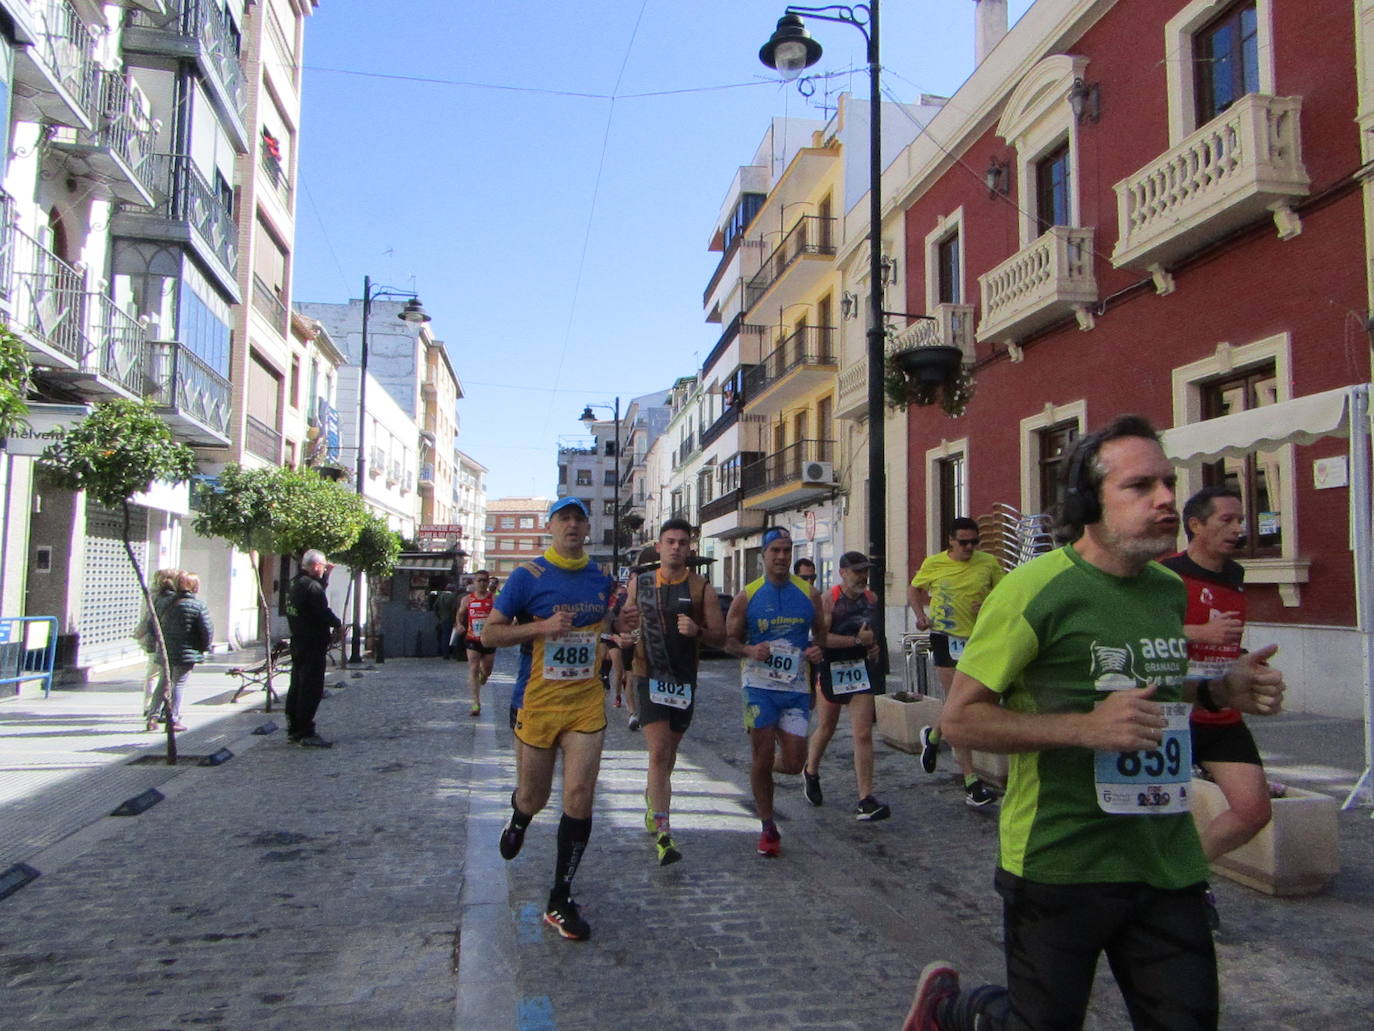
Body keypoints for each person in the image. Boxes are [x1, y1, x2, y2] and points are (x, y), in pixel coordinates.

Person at [905, 415, 1286, 1031]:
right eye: (1140, 487)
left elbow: (1156, 685)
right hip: (1062, 859)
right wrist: (1085, 729)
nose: (1165, 498)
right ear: (1088, 503)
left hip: (1165, 858)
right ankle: (959, 1012)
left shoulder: (1166, 590)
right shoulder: (1036, 590)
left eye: (1167, 482)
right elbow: (961, 721)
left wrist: (1221, 684)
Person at [483, 496, 635, 941]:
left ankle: (560, 898)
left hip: (585, 702)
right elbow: (489, 633)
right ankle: (519, 818)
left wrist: (620, 619)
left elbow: (607, 622)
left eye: (578, 519)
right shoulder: (527, 577)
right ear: (549, 528)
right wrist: (539, 628)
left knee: (580, 796)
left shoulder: (599, 578)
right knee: (535, 796)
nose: (571, 525)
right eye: (563, 518)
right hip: (537, 702)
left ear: (587, 529)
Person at [1161, 487, 1274, 864]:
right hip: (1175, 710)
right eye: (1226, 520)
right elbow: (1140, 635)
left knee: (1254, 810)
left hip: (1222, 712)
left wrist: (1247, 667)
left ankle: (1187, 873)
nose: (1237, 528)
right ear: (1195, 525)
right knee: (1159, 816)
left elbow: (1229, 642)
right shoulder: (1166, 576)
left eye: (1240, 520)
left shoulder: (1235, 574)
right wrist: (1196, 633)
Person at [627, 522, 725, 865]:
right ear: (658, 545)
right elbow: (625, 622)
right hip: (648, 674)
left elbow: (720, 636)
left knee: (668, 754)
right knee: (658, 751)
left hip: (683, 679)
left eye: (682, 543)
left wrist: (697, 630)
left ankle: (653, 799)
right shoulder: (640, 583)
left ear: (690, 549)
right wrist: (623, 633)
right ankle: (665, 833)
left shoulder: (701, 588)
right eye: (670, 542)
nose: (676, 548)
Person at [724, 527, 825, 858]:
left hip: (795, 689)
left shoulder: (809, 594)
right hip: (759, 688)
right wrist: (750, 650)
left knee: (796, 763)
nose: (781, 556)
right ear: (763, 556)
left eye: (786, 550)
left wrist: (815, 652)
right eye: (775, 551)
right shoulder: (748, 596)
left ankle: (759, 768)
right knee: (763, 755)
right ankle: (768, 826)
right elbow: (730, 641)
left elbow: (821, 638)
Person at [907, 517, 1004, 808]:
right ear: (951, 541)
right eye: (964, 543)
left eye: (975, 542)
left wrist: (987, 601)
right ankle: (971, 781)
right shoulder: (934, 563)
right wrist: (920, 616)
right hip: (945, 637)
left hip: (977, 639)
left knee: (963, 703)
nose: (970, 548)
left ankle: (934, 735)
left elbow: (1004, 594)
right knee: (957, 703)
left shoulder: (988, 563)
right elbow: (914, 589)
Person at [802, 551, 890, 820]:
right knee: (826, 727)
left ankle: (865, 798)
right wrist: (856, 642)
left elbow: (870, 632)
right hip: (831, 668)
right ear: (842, 573)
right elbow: (820, 638)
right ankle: (811, 770)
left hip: (860, 669)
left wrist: (873, 648)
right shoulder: (829, 600)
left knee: (863, 733)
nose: (863, 577)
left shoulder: (871, 598)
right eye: (857, 571)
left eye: (865, 571)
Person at [284, 550, 343, 748]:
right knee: (311, 687)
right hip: (312, 642)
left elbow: (314, 594)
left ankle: (294, 728)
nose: (325, 569)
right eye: (324, 566)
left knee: (297, 684)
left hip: (299, 640)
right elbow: (321, 609)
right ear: (316, 566)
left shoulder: (295, 583)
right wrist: (337, 623)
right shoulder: (311, 587)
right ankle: (305, 731)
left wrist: (327, 576)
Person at [150, 571, 213, 733]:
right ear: (193, 586)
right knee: (178, 684)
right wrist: (204, 647)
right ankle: (173, 718)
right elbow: (206, 630)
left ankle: (152, 716)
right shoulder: (198, 606)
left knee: (163, 682)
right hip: (186, 651)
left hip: (165, 650)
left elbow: (153, 624)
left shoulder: (163, 602)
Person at [137, 568, 181, 731]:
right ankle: (163, 711)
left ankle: (149, 708)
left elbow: (147, 621)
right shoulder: (172, 598)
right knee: (165, 678)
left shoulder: (151, 594)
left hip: (154, 641)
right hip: (165, 643)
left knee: (153, 675)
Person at [456, 571, 497, 717]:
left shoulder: (494, 599)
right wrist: (459, 625)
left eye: (485, 581)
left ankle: (484, 676)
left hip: (489, 639)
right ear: (474, 582)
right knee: (473, 668)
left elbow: (502, 615)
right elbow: (460, 614)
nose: (482, 583)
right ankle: (475, 702)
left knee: (487, 671)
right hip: (472, 638)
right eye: (479, 580)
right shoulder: (467, 599)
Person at [433, 584, 459, 659]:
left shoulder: (440, 596)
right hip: (450, 619)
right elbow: (454, 609)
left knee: (443, 636)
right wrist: (455, 619)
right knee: (451, 637)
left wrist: (439, 616)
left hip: (442, 619)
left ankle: (443, 653)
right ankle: (450, 653)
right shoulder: (453, 597)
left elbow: (435, 607)